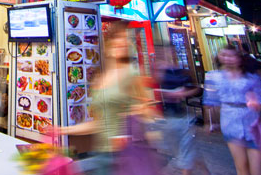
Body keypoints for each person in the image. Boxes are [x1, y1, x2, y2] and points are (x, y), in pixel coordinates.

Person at [52, 27, 155, 175]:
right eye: (116, 40)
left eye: (124, 41)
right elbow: (100, 123)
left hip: (126, 155)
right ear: (108, 47)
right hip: (103, 154)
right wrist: (63, 130)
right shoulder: (100, 78)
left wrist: (139, 114)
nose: (121, 44)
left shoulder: (131, 74)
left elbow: (148, 115)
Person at [203, 45, 261, 175]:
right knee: (241, 167)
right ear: (218, 57)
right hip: (230, 123)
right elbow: (210, 102)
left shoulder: (252, 77)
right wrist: (210, 122)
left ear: (239, 58)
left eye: (231, 55)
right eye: (224, 55)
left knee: (258, 169)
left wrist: (257, 103)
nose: (227, 59)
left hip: (253, 123)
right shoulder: (213, 76)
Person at [154, 45, 203, 175]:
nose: (165, 55)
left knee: (185, 154)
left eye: (167, 52)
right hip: (165, 119)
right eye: (161, 52)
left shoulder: (180, 71)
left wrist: (181, 94)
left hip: (182, 118)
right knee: (183, 154)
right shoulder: (157, 72)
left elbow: (196, 89)